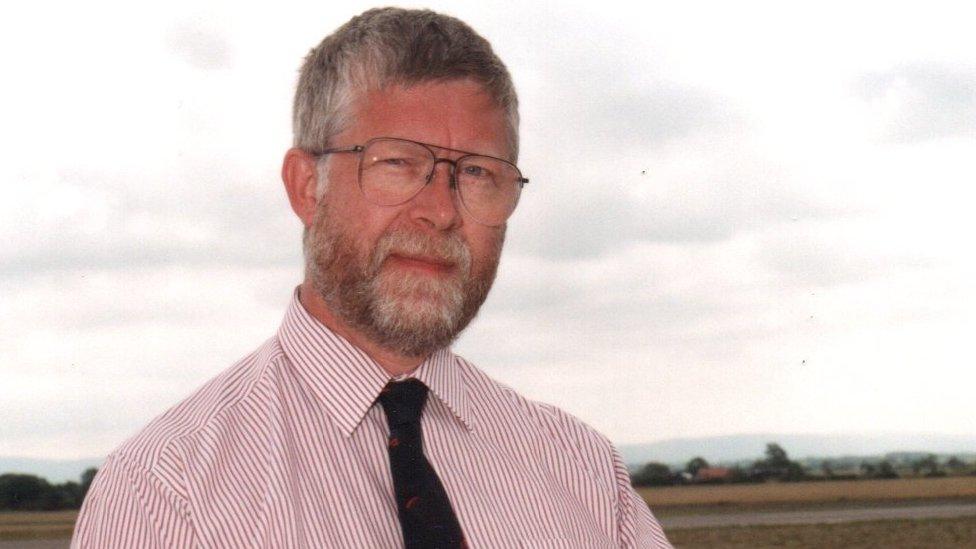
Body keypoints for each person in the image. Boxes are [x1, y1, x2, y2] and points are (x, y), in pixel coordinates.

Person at [72, 8, 672, 548]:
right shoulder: (167, 494)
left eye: (479, 173)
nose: (440, 211)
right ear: (307, 186)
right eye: (396, 163)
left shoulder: (582, 471)